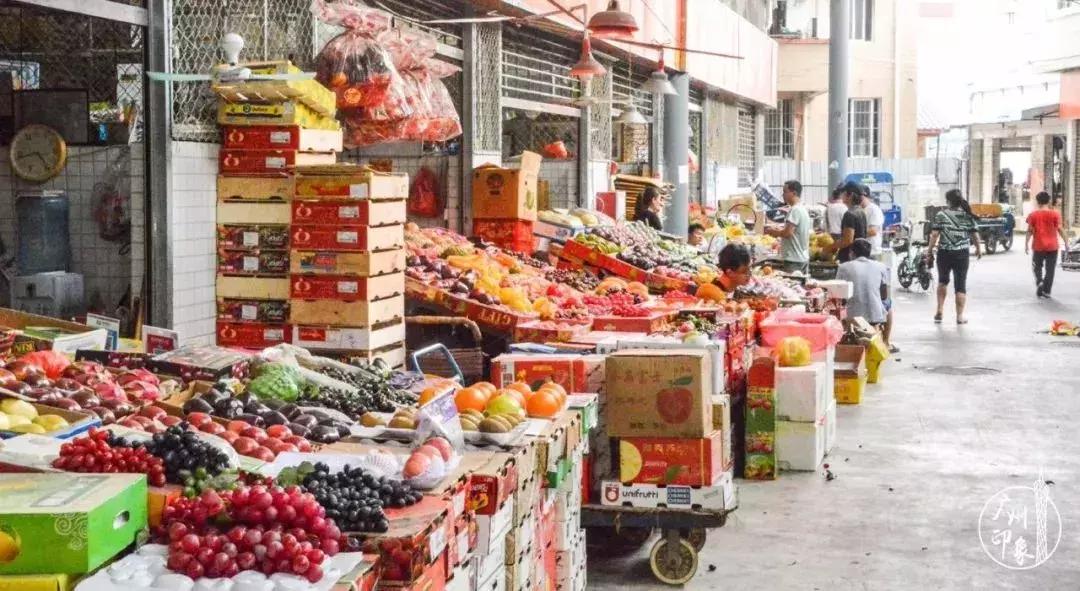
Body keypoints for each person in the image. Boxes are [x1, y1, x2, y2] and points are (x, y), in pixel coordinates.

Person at [926, 189, 982, 324]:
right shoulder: (967, 215)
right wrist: (979, 249)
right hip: (961, 254)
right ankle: (959, 316)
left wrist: (929, 250)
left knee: (943, 281)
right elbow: (975, 235)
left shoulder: (941, 215)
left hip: (944, 253)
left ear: (948, 201)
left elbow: (934, 235)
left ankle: (939, 310)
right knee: (960, 285)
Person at [836, 239, 891, 347]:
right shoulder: (881, 266)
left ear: (852, 253)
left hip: (852, 316)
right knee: (889, 303)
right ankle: (886, 342)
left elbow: (840, 294)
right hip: (875, 316)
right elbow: (884, 296)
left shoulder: (843, 267)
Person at [764, 180, 811, 273]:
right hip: (802, 257)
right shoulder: (802, 209)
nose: (783, 195)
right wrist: (779, 229)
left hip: (793, 259)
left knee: (792, 285)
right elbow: (793, 231)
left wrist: (772, 232)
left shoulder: (795, 210)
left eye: (785, 192)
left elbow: (787, 233)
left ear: (794, 193)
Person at [827, 182, 868, 262]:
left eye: (843, 193)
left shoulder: (849, 214)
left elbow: (847, 240)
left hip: (849, 258)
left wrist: (829, 247)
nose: (841, 196)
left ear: (850, 195)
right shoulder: (861, 212)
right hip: (860, 256)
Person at [860, 185, 886, 255]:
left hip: (872, 252)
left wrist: (855, 234)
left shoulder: (874, 209)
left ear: (863, 196)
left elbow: (873, 231)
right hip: (862, 251)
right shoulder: (860, 210)